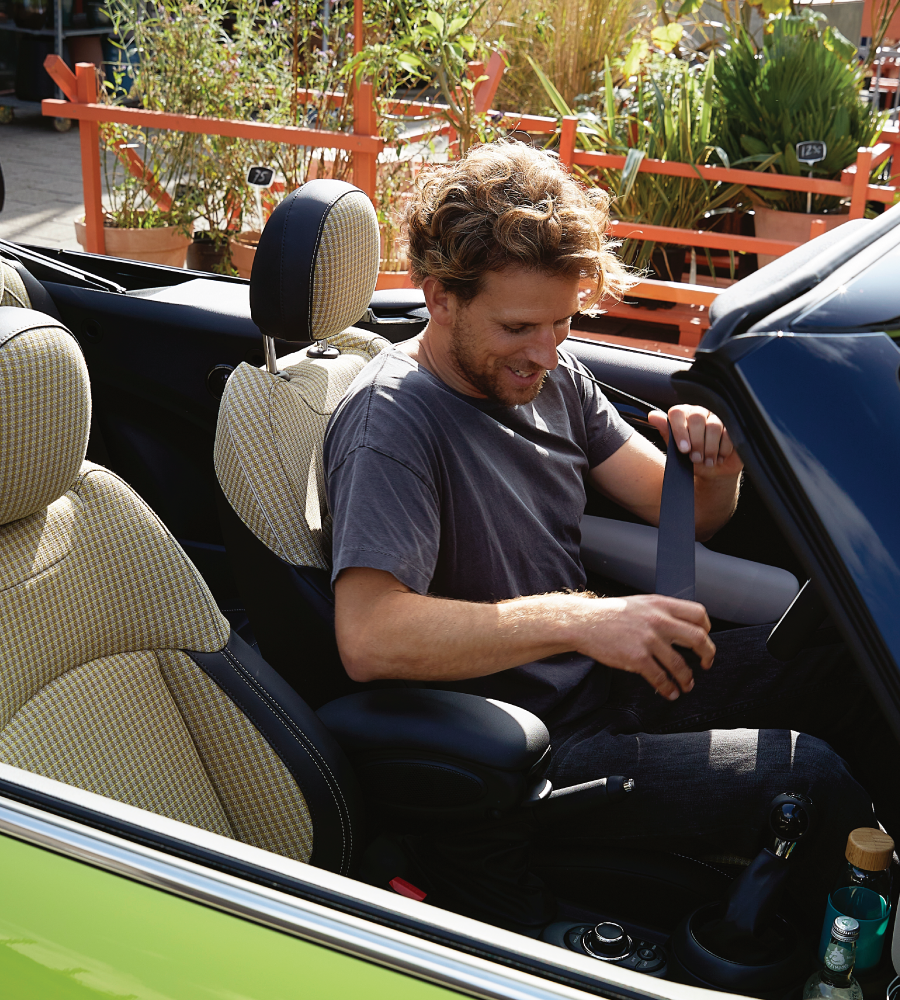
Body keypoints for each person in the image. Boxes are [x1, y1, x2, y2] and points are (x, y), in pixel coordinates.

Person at [324, 140, 894, 911]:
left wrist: (716, 465)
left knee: (852, 655)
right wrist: (585, 622)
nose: (546, 352)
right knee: (807, 777)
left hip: (606, 687)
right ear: (441, 298)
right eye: (520, 326)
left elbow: (685, 517)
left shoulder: (555, 378)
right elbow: (369, 636)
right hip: (530, 744)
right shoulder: (391, 423)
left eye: (562, 323)